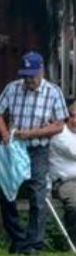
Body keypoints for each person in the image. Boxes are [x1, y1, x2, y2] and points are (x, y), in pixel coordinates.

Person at [0, 51, 68, 254]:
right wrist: (5, 133)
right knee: (6, 193)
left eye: (32, 76)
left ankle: (34, 243)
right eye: (25, 75)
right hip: (14, 148)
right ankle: (18, 240)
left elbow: (60, 125)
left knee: (38, 195)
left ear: (41, 70)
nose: (28, 80)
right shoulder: (12, 88)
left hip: (38, 149)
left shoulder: (53, 92)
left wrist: (33, 133)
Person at [48, 97, 76, 238]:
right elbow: (73, 151)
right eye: (72, 115)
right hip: (64, 183)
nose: (75, 120)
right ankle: (73, 242)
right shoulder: (59, 132)